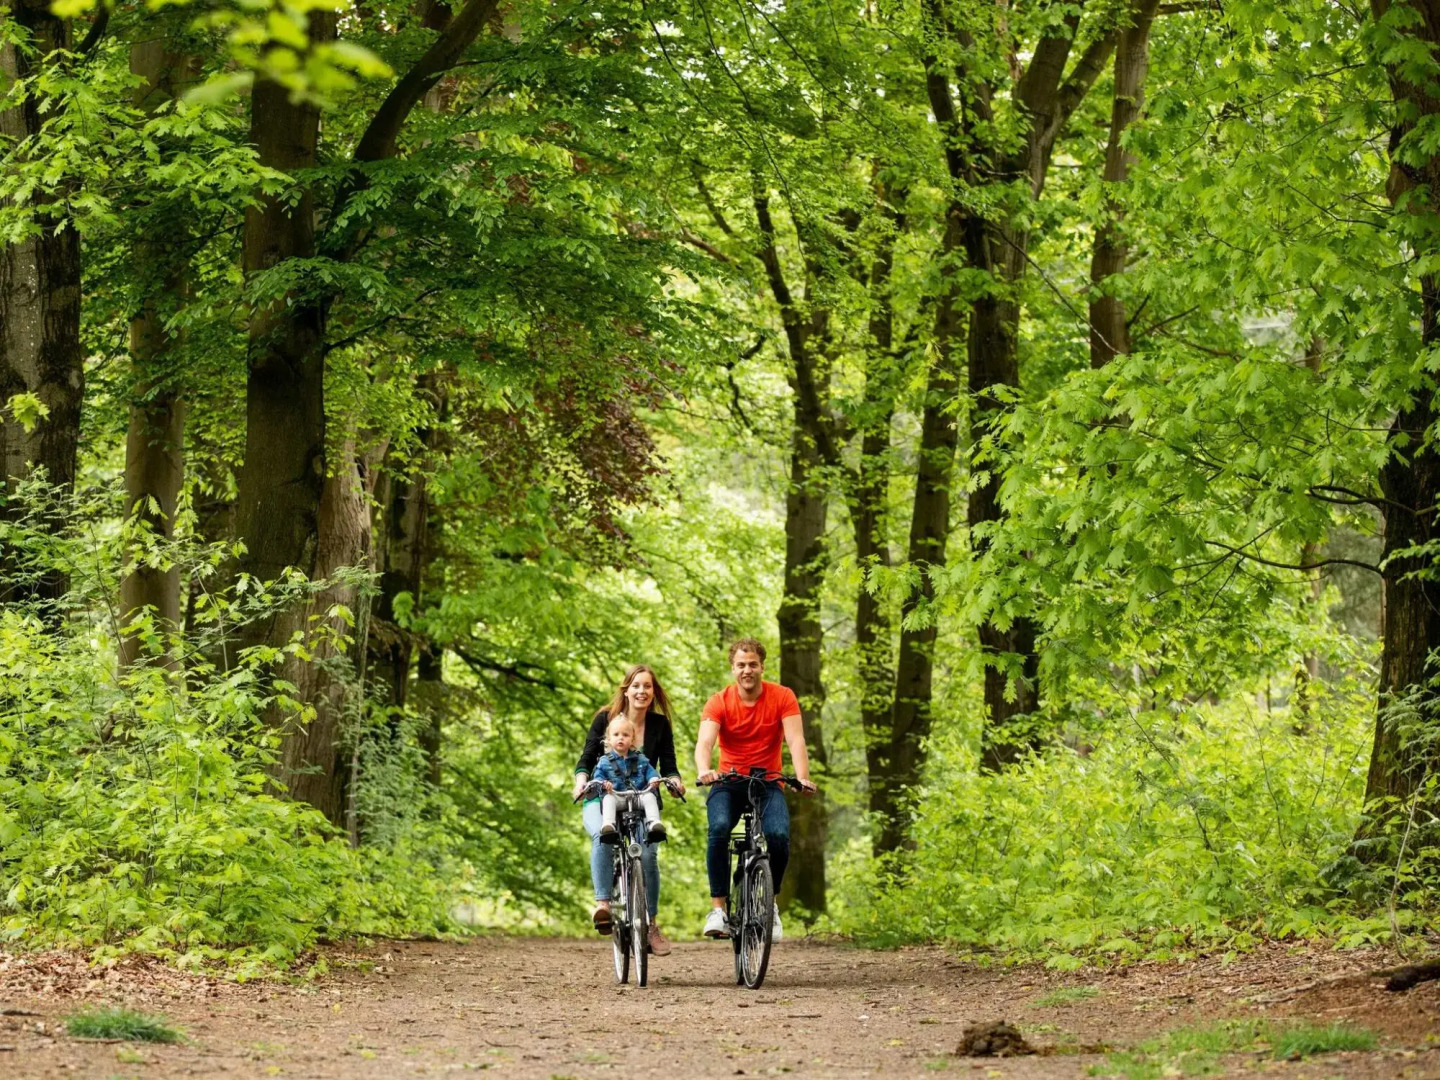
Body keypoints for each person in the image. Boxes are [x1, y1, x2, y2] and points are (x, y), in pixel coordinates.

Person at [694, 637, 815, 943]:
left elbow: (795, 740)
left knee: (778, 835)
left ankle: (770, 904)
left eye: (752, 664)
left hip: (767, 780)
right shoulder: (719, 701)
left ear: (762, 666)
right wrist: (704, 770)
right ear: (733, 669)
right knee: (719, 828)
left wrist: (802, 777)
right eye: (740, 665)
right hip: (728, 780)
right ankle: (718, 910)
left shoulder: (782, 696)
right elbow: (705, 741)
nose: (747, 670)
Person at [575, 664, 684, 955]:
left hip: (641, 797)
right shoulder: (604, 719)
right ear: (626, 689)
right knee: (602, 834)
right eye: (636, 685)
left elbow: (669, 766)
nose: (641, 691)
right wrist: (581, 783)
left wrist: (675, 782)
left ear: (653, 692)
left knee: (647, 854)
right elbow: (586, 759)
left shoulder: (660, 726)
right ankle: (603, 906)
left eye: (647, 686)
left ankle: (650, 924)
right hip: (603, 796)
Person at [592, 715, 667, 843]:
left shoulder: (641, 759)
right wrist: (604, 784)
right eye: (616, 734)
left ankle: (654, 823)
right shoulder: (604, 762)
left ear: (632, 739)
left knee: (650, 797)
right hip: (617, 796)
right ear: (609, 739)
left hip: (638, 796)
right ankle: (609, 825)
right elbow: (598, 778)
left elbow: (650, 771)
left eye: (625, 735)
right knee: (608, 799)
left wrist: (653, 779)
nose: (621, 738)